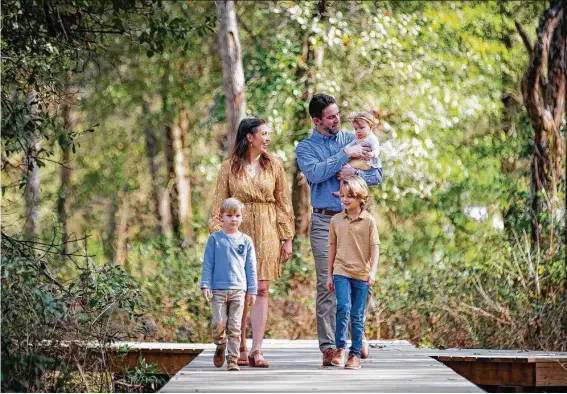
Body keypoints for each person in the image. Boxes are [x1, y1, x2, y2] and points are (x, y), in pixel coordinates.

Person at [295, 94, 382, 366]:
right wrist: (344, 156)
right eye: (331, 117)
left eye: (337, 114)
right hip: (323, 222)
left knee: (360, 280)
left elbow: (377, 175)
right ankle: (331, 347)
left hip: (355, 220)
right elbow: (316, 174)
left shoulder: (352, 137)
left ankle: (356, 335)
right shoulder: (306, 147)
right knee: (328, 282)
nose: (337, 120)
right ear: (317, 120)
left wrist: (352, 175)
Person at [208, 117, 295, 368]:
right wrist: (219, 236)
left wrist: (286, 237)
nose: (268, 138)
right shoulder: (229, 167)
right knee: (240, 289)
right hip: (238, 232)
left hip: (267, 229)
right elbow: (218, 204)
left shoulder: (274, 166)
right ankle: (239, 345)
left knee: (261, 289)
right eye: (264, 134)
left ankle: (257, 348)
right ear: (249, 137)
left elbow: (284, 203)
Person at [326, 176, 379, 370]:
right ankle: (340, 348)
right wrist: (329, 274)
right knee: (343, 307)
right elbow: (332, 247)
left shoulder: (369, 221)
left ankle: (355, 354)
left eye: (350, 196)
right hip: (341, 271)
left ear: (360, 198)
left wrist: (372, 272)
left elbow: (375, 248)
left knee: (357, 315)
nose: (345, 200)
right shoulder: (336, 220)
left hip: (362, 274)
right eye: (343, 196)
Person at [200, 197, 258, 371]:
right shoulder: (215, 239)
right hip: (218, 289)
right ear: (221, 217)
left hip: (239, 290)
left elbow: (251, 267)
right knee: (219, 323)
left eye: (237, 215)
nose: (234, 219)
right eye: (229, 215)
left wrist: (252, 290)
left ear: (242, 218)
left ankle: (232, 359)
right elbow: (208, 263)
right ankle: (220, 344)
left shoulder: (246, 240)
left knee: (235, 326)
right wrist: (205, 284)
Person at [332, 111, 381, 196]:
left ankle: (346, 191)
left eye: (361, 128)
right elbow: (350, 145)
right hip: (359, 161)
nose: (358, 131)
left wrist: (373, 153)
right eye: (356, 129)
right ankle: (343, 191)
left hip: (367, 163)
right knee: (343, 168)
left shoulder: (371, 138)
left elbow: (377, 149)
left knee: (346, 168)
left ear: (370, 127)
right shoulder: (358, 138)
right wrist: (345, 149)